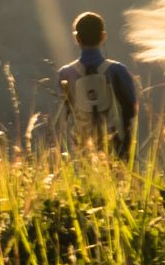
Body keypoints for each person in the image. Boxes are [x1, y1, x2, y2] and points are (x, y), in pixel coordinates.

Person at [56, 11, 137, 158]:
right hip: (117, 147)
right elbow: (131, 110)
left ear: (76, 38)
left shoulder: (65, 74)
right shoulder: (118, 70)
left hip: (83, 149)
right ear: (103, 36)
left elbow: (65, 113)